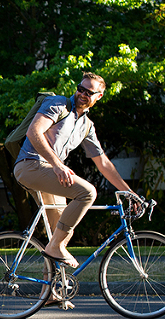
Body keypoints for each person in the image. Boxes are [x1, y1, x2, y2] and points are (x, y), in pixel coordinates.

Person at [14, 72, 136, 271]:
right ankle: (54, 249)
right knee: (87, 192)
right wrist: (57, 164)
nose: (83, 94)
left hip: (49, 172)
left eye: (89, 92)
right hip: (31, 165)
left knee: (62, 232)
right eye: (81, 89)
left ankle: (50, 292)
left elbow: (103, 163)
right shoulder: (58, 104)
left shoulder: (86, 126)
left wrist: (129, 192)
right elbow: (33, 132)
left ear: (99, 97)